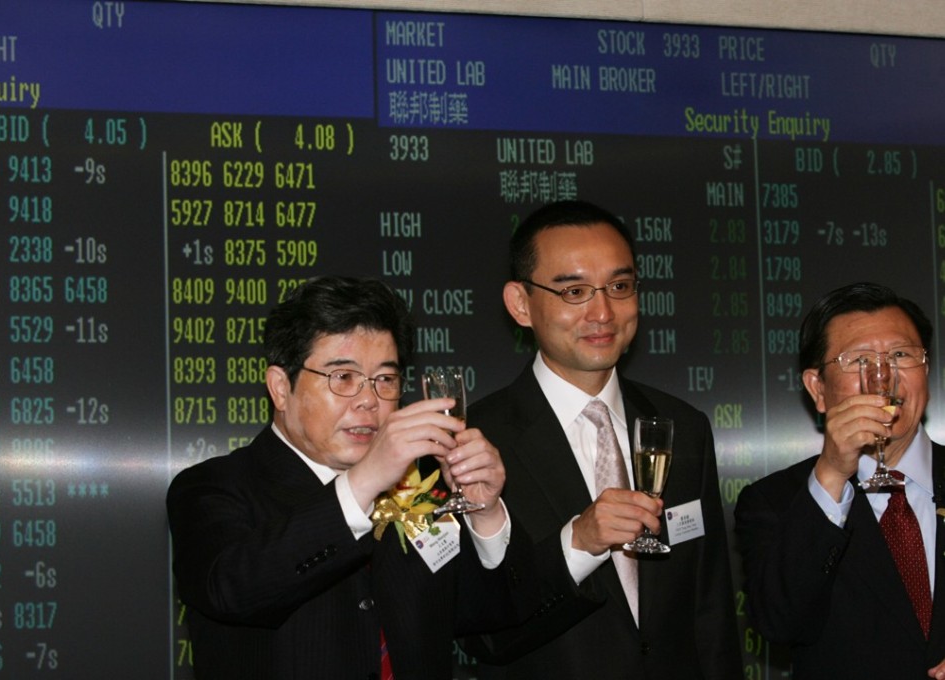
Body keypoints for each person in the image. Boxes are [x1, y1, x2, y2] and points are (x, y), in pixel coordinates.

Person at [167, 276, 531, 680]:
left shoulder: (422, 483)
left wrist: (486, 514)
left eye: (386, 380)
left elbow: (484, 616)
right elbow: (231, 590)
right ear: (280, 387)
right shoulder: (211, 487)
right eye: (343, 377)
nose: (369, 400)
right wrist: (362, 484)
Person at [460, 200, 742, 678]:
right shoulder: (472, 442)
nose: (603, 311)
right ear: (521, 304)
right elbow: (482, 635)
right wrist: (580, 541)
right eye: (574, 291)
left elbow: (709, 609)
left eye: (619, 286)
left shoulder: (683, 426)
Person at [735, 282, 945, 678]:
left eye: (901, 355)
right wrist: (832, 473)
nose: (884, 379)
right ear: (818, 388)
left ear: (927, 370)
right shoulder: (774, 500)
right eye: (860, 361)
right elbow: (779, 623)